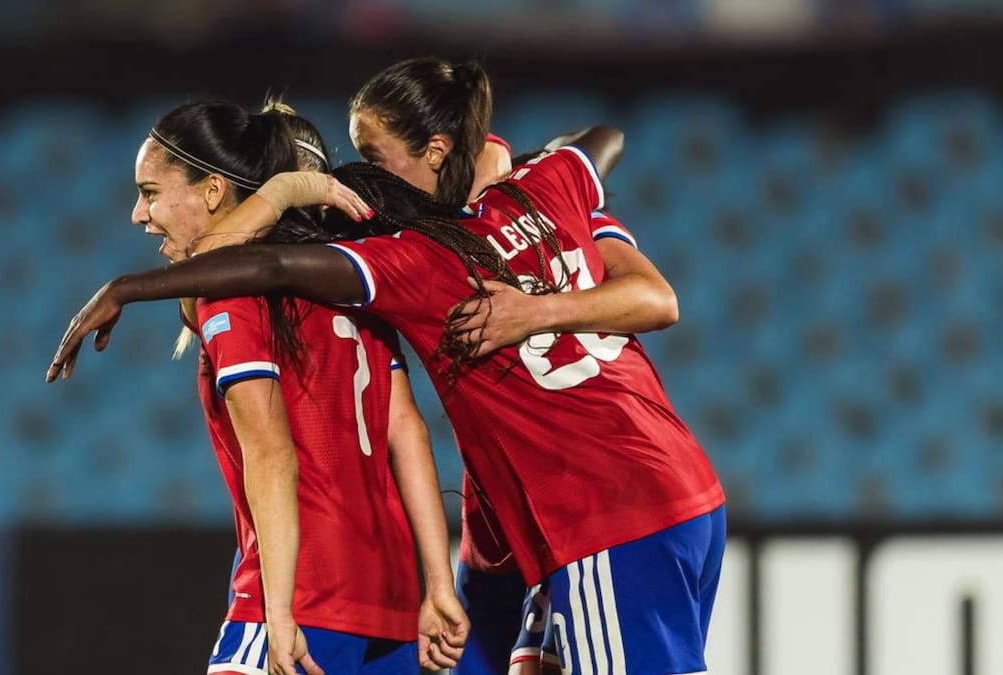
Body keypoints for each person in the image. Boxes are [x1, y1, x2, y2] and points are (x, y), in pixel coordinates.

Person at [49, 59, 725, 675]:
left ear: (435, 150)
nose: (366, 172)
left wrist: (132, 285)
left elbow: (268, 277)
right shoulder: (548, 185)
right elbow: (602, 139)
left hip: (601, 511)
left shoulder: (415, 264)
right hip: (647, 492)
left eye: (374, 154)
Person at [125, 98, 467, 675]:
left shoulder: (231, 294)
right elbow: (406, 431)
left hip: (297, 601)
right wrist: (437, 583)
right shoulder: (352, 285)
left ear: (213, 192)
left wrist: (277, 612)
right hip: (387, 608)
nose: (139, 213)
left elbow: (271, 453)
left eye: (150, 191)